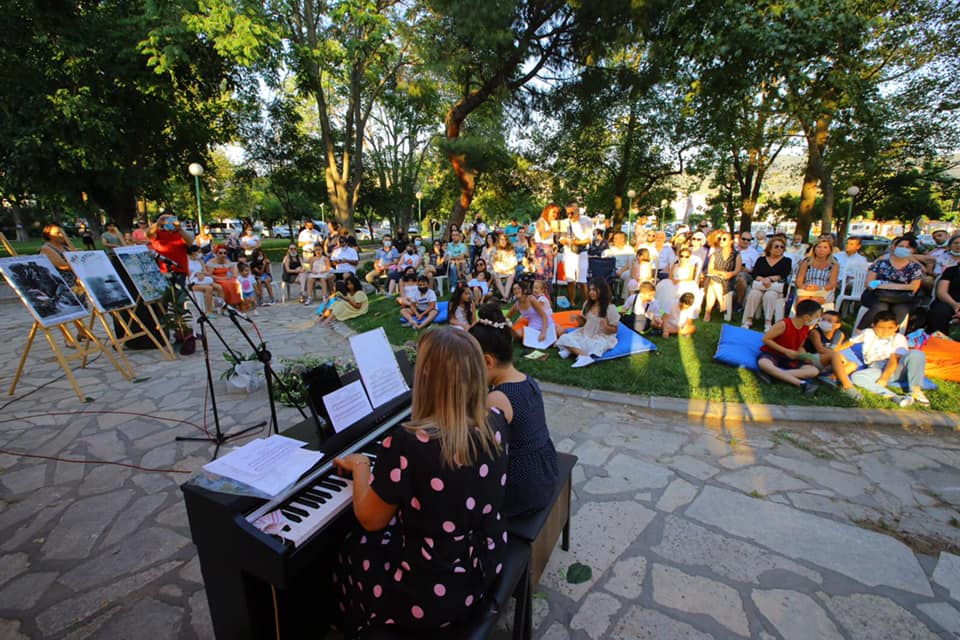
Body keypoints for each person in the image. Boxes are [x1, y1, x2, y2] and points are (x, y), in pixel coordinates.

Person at [331, 327, 508, 636]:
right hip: (484, 564)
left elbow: (370, 519)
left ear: (425, 379)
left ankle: (358, 625)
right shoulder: (494, 421)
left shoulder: (409, 443)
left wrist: (361, 467)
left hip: (432, 593)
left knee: (352, 548)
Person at [470, 304, 559, 517]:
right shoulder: (527, 381)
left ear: (487, 361)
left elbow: (480, 451)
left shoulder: (497, 399)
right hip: (545, 473)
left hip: (522, 489)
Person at [832, 311, 928, 406]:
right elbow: (850, 342)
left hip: (897, 368)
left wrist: (884, 378)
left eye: (890, 328)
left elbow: (894, 359)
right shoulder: (868, 333)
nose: (886, 331)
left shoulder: (899, 338)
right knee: (857, 377)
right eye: (881, 328)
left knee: (917, 354)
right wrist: (834, 352)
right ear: (873, 326)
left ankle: (915, 390)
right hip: (876, 367)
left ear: (896, 327)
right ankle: (894, 396)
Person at [754, 299, 822, 396]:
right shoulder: (784, 324)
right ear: (807, 317)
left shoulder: (806, 328)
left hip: (789, 358)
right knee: (764, 363)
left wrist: (803, 355)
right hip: (773, 354)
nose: (819, 319)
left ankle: (772, 374)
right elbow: (766, 339)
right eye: (817, 316)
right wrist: (785, 351)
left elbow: (800, 346)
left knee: (814, 371)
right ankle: (802, 384)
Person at [857, 235, 923, 331]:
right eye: (901, 246)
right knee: (880, 307)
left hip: (902, 298)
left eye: (907, 247)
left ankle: (889, 334)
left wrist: (886, 285)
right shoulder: (881, 263)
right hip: (877, 296)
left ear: (913, 250)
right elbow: (869, 284)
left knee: (900, 310)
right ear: (894, 247)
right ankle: (861, 332)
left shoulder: (915, 267)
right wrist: (901, 286)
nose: (903, 249)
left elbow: (913, 287)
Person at [555, 277, 619, 368]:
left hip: (601, 337)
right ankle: (583, 355)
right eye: (590, 290)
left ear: (602, 291)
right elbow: (584, 324)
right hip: (585, 333)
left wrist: (606, 327)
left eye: (594, 290)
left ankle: (572, 350)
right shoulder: (587, 304)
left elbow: (615, 329)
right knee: (564, 337)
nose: (591, 292)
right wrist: (577, 317)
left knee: (596, 346)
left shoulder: (610, 308)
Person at [742, 237, 792, 331]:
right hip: (760, 285)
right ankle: (748, 319)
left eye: (782, 247)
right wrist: (763, 279)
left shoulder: (787, 261)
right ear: (770, 248)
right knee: (754, 294)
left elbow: (784, 274)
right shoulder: (761, 260)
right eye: (776, 246)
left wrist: (769, 279)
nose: (779, 249)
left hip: (775, 287)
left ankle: (768, 322)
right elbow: (754, 273)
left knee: (770, 295)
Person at [702, 231, 741, 322]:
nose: (721, 241)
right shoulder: (715, 254)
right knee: (713, 281)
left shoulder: (736, 255)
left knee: (712, 283)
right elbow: (710, 269)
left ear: (731, 242)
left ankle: (707, 313)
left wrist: (729, 274)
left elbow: (737, 270)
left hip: (728, 281)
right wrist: (721, 273)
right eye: (720, 239)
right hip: (715, 278)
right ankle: (722, 303)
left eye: (724, 239)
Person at [558, 203, 592, 306]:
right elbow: (561, 239)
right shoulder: (564, 222)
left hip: (582, 252)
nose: (569, 215)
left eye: (572, 213)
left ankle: (586, 303)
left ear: (578, 211)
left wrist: (576, 242)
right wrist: (567, 241)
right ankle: (572, 302)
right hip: (569, 252)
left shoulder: (586, 221)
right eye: (567, 213)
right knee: (570, 279)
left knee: (582, 280)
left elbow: (589, 239)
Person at [148, 212, 193, 286]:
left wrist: (180, 229)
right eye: (166, 219)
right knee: (167, 295)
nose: (169, 221)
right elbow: (148, 234)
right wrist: (158, 223)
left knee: (179, 293)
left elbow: (190, 243)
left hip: (180, 270)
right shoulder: (157, 232)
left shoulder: (180, 232)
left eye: (171, 219)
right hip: (163, 271)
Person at [795, 239, 839, 305]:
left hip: (824, 290)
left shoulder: (834, 265)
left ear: (830, 250)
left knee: (815, 300)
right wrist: (806, 287)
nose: (821, 250)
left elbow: (832, 283)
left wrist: (819, 288)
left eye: (825, 247)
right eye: (819, 247)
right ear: (814, 249)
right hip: (807, 289)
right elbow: (798, 281)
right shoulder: (806, 262)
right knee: (802, 300)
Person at [39, 224, 80, 292]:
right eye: (58, 233)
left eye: (63, 233)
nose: (62, 235)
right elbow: (63, 266)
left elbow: (76, 258)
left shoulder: (65, 248)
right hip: (62, 284)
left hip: (75, 282)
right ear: (48, 235)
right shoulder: (46, 249)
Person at [804, 309, 846, 373]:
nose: (825, 322)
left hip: (827, 358)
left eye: (829, 321)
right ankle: (831, 375)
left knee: (852, 365)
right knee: (836, 357)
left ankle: (831, 377)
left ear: (838, 325)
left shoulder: (840, 335)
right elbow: (820, 349)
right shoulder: (815, 332)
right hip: (812, 357)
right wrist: (837, 356)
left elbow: (836, 349)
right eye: (823, 320)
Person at [926, 263, 960, 334]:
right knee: (939, 312)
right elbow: (941, 292)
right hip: (949, 302)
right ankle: (938, 340)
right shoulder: (951, 271)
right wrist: (955, 305)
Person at [187, 245, 223, 312]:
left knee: (219, 287)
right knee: (209, 288)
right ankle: (209, 311)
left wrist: (203, 273)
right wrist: (195, 274)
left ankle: (221, 308)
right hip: (192, 282)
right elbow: (187, 275)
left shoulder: (200, 261)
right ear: (193, 252)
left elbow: (206, 272)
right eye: (198, 252)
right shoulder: (187, 262)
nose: (200, 253)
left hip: (203, 279)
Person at [532, 203, 560, 284]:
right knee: (541, 275)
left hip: (550, 249)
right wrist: (552, 228)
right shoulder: (541, 221)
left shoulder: (552, 222)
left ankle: (547, 294)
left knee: (549, 274)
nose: (555, 214)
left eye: (557, 212)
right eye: (553, 212)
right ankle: (540, 294)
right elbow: (543, 236)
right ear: (548, 210)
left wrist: (555, 245)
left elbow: (554, 238)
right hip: (541, 249)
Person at [734, 231, 760, 308]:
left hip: (745, 273)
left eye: (748, 240)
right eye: (743, 239)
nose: (745, 241)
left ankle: (739, 303)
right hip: (730, 271)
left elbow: (756, 270)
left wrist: (747, 270)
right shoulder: (732, 248)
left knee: (741, 278)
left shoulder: (753, 253)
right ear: (739, 239)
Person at [491, 233, 518, 299]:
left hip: (509, 269)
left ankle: (504, 296)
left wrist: (506, 270)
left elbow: (514, 262)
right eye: (501, 239)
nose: (503, 241)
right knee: (495, 275)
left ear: (507, 241)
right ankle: (505, 296)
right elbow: (493, 263)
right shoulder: (495, 250)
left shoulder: (511, 250)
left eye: (505, 240)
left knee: (511, 275)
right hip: (499, 269)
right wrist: (500, 270)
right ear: (499, 241)